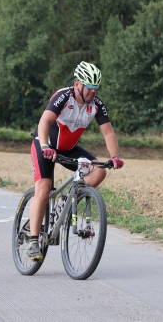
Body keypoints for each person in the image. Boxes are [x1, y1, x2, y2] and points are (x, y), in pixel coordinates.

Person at [26, 61, 124, 260]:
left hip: (69, 150)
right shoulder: (63, 96)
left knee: (99, 170)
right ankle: (34, 241)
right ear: (78, 84)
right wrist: (45, 146)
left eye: (96, 88)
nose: (93, 92)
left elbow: (108, 133)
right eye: (90, 87)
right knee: (44, 189)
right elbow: (44, 122)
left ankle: (65, 200)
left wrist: (114, 157)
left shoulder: (96, 105)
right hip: (44, 145)